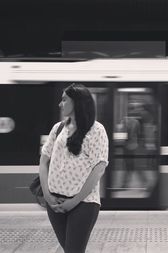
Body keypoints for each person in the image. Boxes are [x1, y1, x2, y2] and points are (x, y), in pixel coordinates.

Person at [39, 83, 109, 253]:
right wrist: (47, 196)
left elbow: (98, 169)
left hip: (83, 204)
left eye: (64, 100)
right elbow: (43, 161)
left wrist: (73, 202)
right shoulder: (58, 128)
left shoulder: (97, 130)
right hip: (54, 202)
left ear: (77, 102)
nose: (60, 104)